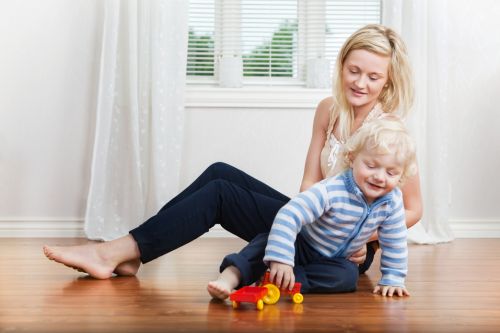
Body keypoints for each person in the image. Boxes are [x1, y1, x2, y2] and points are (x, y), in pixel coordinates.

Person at [43, 24, 422, 286]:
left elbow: (414, 207)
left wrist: (367, 238)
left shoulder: (389, 131)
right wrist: (298, 215)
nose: (360, 82)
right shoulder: (328, 109)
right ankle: (134, 252)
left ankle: (115, 252)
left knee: (221, 196)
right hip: (312, 221)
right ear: (341, 66)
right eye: (354, 71)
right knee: (219, 172)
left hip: (344, 248)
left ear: (387, 80)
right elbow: (310, 180)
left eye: (373, 77)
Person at [208, 117, 416, 299]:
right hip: (303, 244)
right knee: (264, 242)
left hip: (336, 260)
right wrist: (282, 258)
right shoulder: (332, 190)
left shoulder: (392, 201)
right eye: (371, 166)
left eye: (391, 173)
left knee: (347, 277)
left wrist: (392, 278)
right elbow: (290, 214)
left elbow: (394, 239)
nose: (379, 177)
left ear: (401, 175)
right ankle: (230, 278)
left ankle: (284, 281)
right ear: (352, 159)